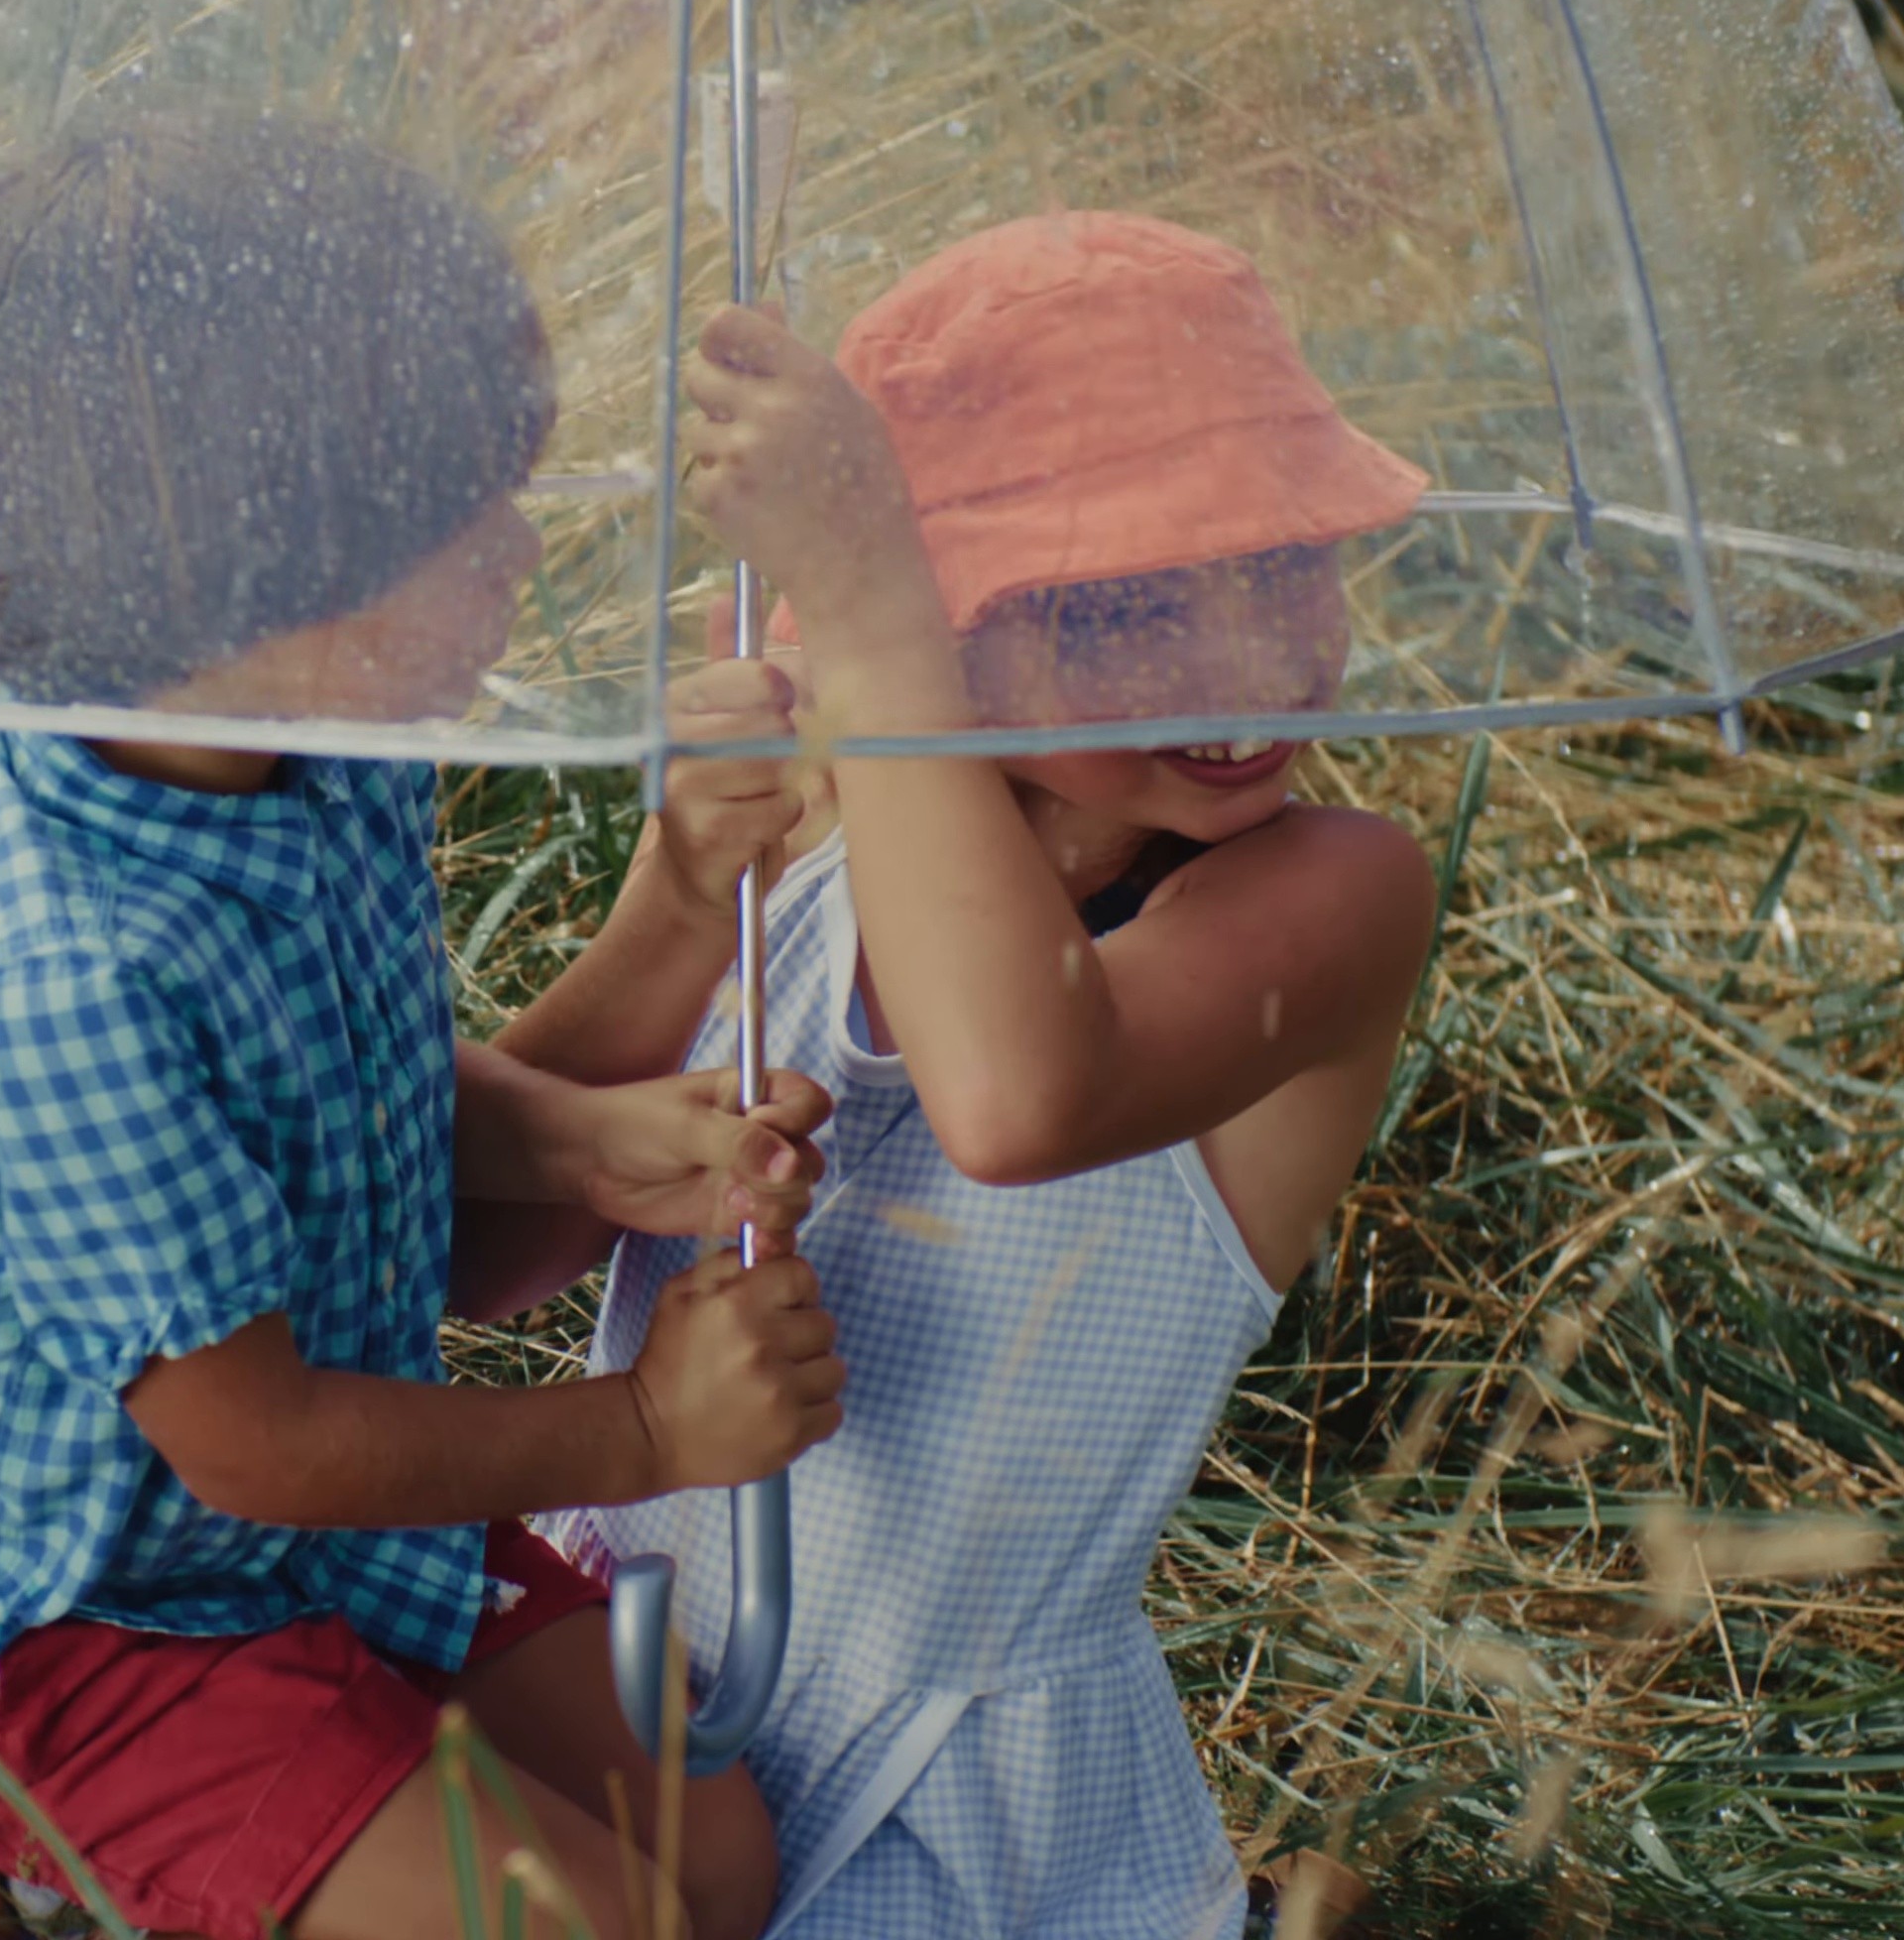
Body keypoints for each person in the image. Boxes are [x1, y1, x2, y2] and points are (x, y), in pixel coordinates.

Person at [0, 105, 848, 1940]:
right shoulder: (57, 974)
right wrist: (646, 1438)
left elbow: (351, 1095)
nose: (520, 546)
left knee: (721, 1868)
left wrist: (575, 1131)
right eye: (459, 520)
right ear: (237, 567)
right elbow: (255, 1437)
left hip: (303, 1541)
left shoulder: (322, 756)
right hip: (85, 1620)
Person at [510, 213, 1435, 1938]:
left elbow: (1019, 1098)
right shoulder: (817, 818)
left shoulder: (1332, 894)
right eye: (1136, 599)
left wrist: (867, 618)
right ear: (954, 609)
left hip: (961, 1812)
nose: (1242, 652)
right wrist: (672, 904)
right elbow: (484, 1252)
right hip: (615, 1687)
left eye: (1287, 561)